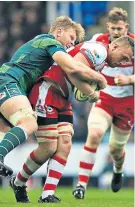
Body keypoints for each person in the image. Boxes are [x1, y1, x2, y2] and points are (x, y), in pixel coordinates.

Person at [8, 35, 134, 203]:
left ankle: (47, 194)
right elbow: (73, 69)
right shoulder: (99, 50)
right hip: (48, 91)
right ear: (115, 47)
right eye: (124, 57)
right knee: (48, 147)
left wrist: (89, 88)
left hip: (63, 98)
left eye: (128, 60)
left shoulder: (102, 58)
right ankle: (19, 181)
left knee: (65, 144)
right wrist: (92, 91)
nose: (123, 62)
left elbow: (78, 73)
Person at [0, 15, 107, 177]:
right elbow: (72, 67)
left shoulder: (39, 46)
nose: (72, 43)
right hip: (8, 81)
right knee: (28, 122)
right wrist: (99, 79)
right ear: (58, 32)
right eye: (71, 37)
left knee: (6, 131)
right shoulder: (50, 42)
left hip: (10, 85)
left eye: (75, 41)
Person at [72, 7, 134, 199]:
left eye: (120, 29)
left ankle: (118, 169)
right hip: (104, 99)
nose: (116, 33)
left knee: (116, 149)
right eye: (113, 29)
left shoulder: (133, 45)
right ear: (108, 26)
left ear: (127, 27)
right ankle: (81, 185)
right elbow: (85, 60)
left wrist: (129, 80)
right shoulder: (98, 41)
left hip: (126, 103)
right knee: (95, 134)